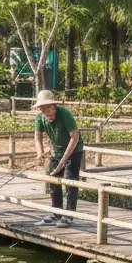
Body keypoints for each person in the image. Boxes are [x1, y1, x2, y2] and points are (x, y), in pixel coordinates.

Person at [32, 90, 83, 228]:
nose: (45, 111)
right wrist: (40, 152)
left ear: (53, 105)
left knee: (70, 180)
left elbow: (74, 136)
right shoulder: (40, 118)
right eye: (42, 108)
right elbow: (37, 136)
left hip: (73, 150)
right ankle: (56, 213)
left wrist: (64, 160)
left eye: (47, 107)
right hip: (57, 150)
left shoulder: (64, 114)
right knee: (53, 179)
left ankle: (69, 215)